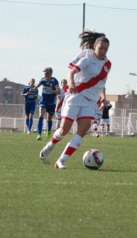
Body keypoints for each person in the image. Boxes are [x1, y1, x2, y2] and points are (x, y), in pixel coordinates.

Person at [39, 30, 111, 169]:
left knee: (83, 129)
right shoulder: (87, 59)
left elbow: (101, 84)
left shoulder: (108, 65)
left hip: (90, 101)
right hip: (76, 96)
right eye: (101, 48)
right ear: (94, 46)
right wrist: (71, 83)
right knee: (64, 130)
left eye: (106, 49)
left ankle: (61, 161)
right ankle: (50, 145)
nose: (103, 51)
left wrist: (103, 99)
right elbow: (71, 71)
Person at [33, 67, 60, 140]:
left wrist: (50, 90)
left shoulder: (54, 81)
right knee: (41, 116)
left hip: (51, 103)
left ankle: (49, 130)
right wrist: (33, 88)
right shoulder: (42, 80)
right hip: (43, 101)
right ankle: (39, 134)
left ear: (50, 74)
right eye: (44, 73)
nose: (45, 74)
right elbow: (38, 85)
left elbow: (58, 92)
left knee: (49, 119)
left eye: (46, 73)